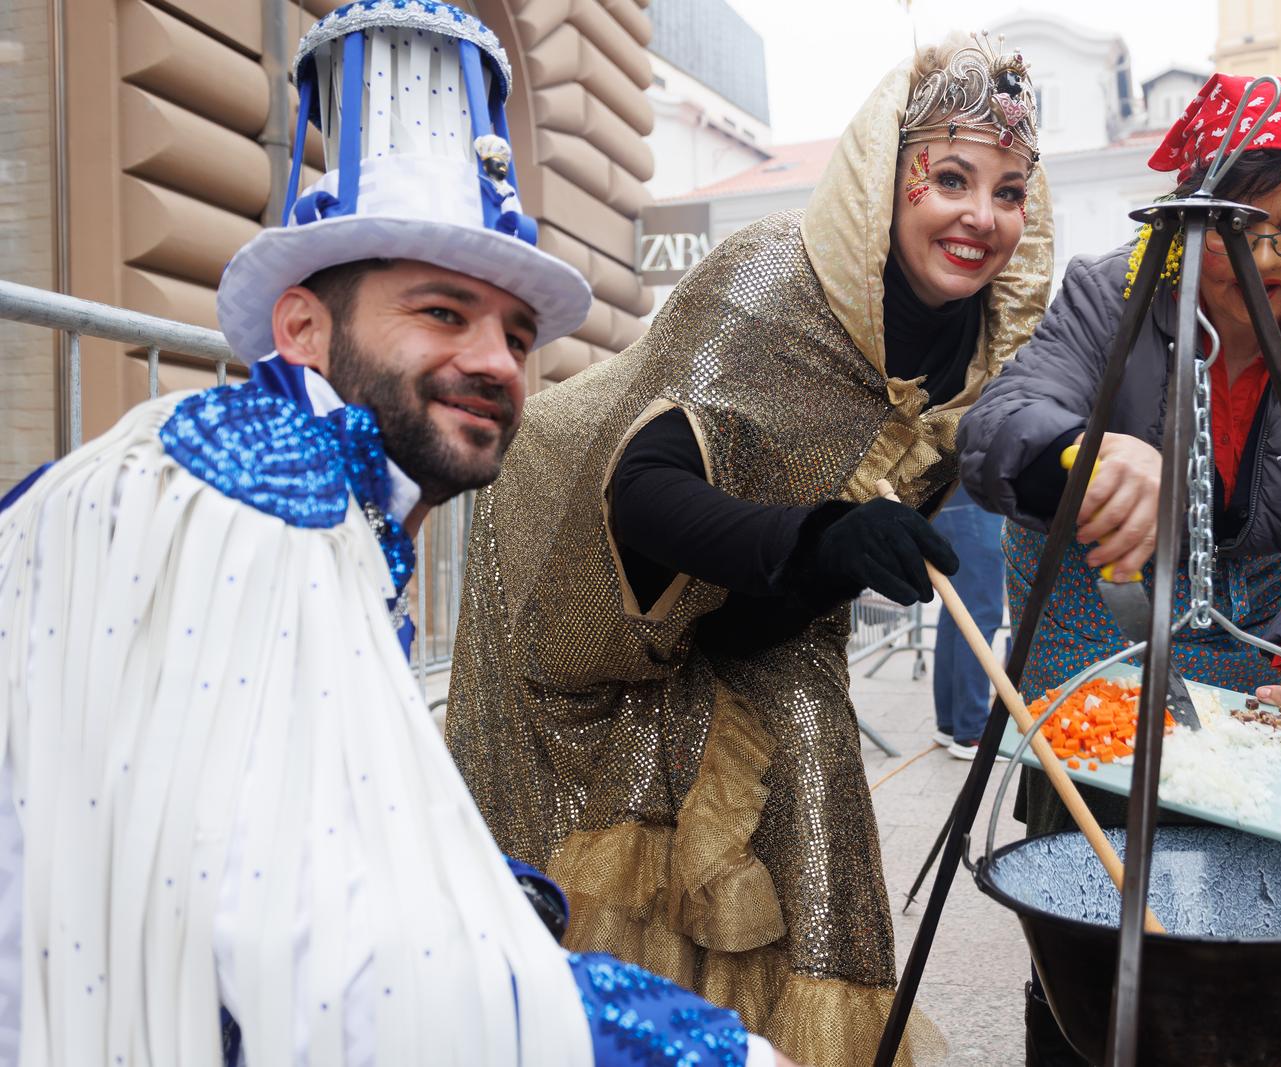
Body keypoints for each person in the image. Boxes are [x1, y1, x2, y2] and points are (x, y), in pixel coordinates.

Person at [0, 5, 788, 1064]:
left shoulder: (311, 487)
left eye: (516, 332)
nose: (500, 362)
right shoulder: (266, 492)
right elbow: (346, 971)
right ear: (302, 328)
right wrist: (699, 1049)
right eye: (441, 311)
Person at [445, 32, 1051, 1066]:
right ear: (889, 181)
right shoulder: (767, 277)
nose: (978, 218)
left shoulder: (991, 341)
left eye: (1007, 191)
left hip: (768, 602)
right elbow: (641, 495)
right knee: (599, 840)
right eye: (950, 178)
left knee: (815, 816)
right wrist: (824, 532)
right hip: (574, 568)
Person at [959, 74, 1281, 1064]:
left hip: (1260, 608)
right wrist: (1079, 454)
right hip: (1103, 595)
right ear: (1192, 217)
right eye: (1240, 224)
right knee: (1100, 817)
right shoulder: (1117, 290)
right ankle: (1070, 1019)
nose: (1268, 258)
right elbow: (996, 427)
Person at [931, 483, 1007, 758]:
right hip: (977, 497)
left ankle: (951, 724)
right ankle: (972, 733)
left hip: (952, 500)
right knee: (979, 613)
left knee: (957, 611)